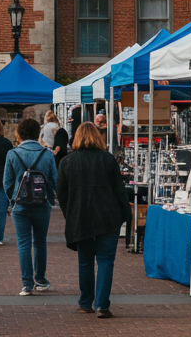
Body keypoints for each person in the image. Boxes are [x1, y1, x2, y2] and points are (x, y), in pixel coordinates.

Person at [57, 122, 130, 318]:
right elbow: (119, 190)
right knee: (106, 260)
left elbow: (62, 194)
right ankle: (102, 305)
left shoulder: (67, 161)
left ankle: (85, 302)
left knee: (85, 262)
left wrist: (69, 214)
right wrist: (125, 215)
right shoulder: (108, 159)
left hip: (80, 217)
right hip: (108, 216)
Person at [4, 117, 58, 295]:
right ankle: (40, 279)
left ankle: (27, 284)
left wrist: (13, 200)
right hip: (42, 203)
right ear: (38, 134)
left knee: (24, 243)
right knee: (40, 242)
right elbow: (54, 181)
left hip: (20, 204)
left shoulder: (13, 154)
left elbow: (7, 183)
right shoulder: (47, 154)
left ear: (18, 135)